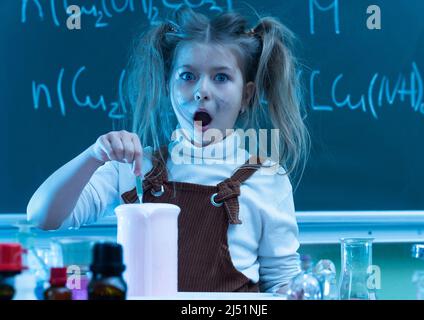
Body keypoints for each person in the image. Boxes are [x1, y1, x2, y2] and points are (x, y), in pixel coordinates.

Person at [27, 6, 310, 294]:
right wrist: (94, 155)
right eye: (187, 76)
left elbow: (283, 283)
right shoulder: (135, 168)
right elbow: (42, 217)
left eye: (221, 77)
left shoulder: (268, 179)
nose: (202, 91)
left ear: (246, 95)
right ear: (167, 85)